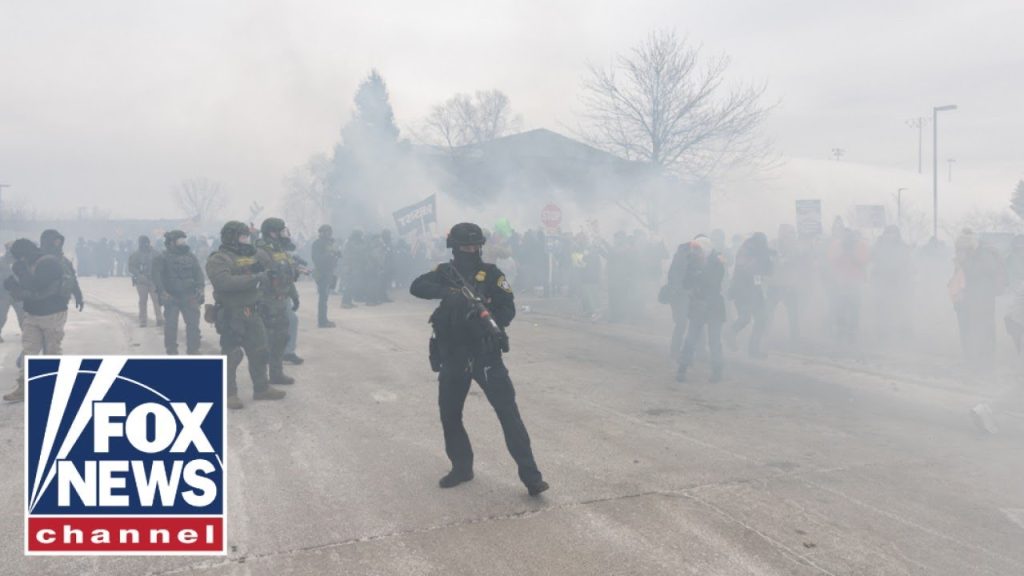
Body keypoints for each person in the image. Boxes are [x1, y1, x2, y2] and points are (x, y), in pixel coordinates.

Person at [410, 222, 548, 496]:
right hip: (453, 355)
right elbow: (417, 286)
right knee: (449, 414)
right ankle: (461, 467)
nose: (472, 250)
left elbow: (508, 311)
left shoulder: (493, 275)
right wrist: (448, 294)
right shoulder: (445, 273)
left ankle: (531, 477)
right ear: (455, 247)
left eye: (476, 246)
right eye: (466, 246)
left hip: (485, 353)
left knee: (509, 415)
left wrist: (484, 316)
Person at [206, 221, 286, 409]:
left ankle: (261, 388)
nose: (246, 240)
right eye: (242, 236)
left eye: (246, 236)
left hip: (253, 311)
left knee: (260, 351)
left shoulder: (251, 255)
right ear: (231, 237)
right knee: (232, 355)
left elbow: (268, 268)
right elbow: (224, 282)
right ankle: (229, 394)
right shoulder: (219, 259)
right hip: (232, 313)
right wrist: (256, 278)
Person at [3, 239, 69, 402]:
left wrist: (20, 275)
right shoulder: (28, 263)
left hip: (52, 314)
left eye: (19, 257)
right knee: (28, 352)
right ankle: (24, 387)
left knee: (51, 352)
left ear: (24, 254)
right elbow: (26, 289)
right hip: (33, 313)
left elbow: (36, 286)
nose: (19, 261)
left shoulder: (48, 263)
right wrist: (13, 287)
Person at [676, 235, 727, 383]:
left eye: (698, 250)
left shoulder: (717, 262)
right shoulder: (693, 261)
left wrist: (698, 275)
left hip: (713, 305)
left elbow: (715, 283)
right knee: (691, 339)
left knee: (714, 341)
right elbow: (686, 283)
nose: (695, 252)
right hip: (698, 304)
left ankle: (717, 372)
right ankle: (682, 369)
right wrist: (693, 272)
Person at [256, 217, 300, 385]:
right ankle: (260, 380)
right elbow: (259, 278)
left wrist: (294, 295)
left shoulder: (279, 250)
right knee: (265, 341)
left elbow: (287, 276)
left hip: (281, 300)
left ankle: (276, 373)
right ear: (272, 232)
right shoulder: (261, 252)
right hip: (266, 301)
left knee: (281, 338)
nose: (284, 234)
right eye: (281, 231)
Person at [154, 230, 205, 355]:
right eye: (180, 240)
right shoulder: (162, 257)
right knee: (171, 326)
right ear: (172, 242)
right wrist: (162, 292)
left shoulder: (191, 256)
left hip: (189, 295)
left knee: (193, 325)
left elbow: (199, 274)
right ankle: (171, 351)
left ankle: (193, 350)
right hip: (171, 296)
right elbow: (157, 277)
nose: (183, 242)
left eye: (184, 240)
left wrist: (200, 288)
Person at [727, 232, 773, 355]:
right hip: (743, 290)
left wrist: (769, 261)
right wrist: (764, 262)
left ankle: (753, 350)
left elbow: (767, 271)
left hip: (754, 290)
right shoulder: (747, 251)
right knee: (745, 318)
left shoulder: (757, 251)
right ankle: (730, 332)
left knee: (761, 319)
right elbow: (748, 270)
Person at [39, 229, 85, 313]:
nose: (58, 244)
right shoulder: (37, 260)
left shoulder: (64, 262)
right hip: (40, 306)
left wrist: (78, 296)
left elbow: (72, 280)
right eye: (55, 242)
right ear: (48, 243)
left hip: (60, 305)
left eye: (59, 242)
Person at [128, 235, 163, 327]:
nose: (145, 245)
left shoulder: (156, 253)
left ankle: (159, 318)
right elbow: (131, 267)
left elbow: (162, 265)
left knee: (156, 300)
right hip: (141, 281)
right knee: (143, 301)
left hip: (153, 281)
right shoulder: (136, 255)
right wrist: (139, 275)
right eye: (143, 243)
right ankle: (143, 320)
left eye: (146, 243)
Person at [311, 224, 340, 327]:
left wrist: (336, 254)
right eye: (327, 232)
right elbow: (316, 259)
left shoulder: (330, 243)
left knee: (325, 297)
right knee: (323, 298)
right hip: (322, 273)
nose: (329, 234)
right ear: (322, 233)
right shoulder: (317, 244)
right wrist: (329, 254)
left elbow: (336, 255)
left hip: (329, 272)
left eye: (330, 232)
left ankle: (324, 319)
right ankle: (322, 321)